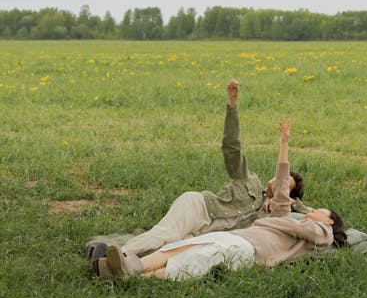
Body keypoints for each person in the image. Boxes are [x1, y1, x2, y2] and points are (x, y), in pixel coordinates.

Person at [91, 81, 306, 274]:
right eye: (281, 176)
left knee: (171, 249)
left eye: (286, 183)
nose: (280, 181)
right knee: (164, 234)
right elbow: (232, 148)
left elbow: (307, 217)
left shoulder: (272, 221)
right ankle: (114, 257)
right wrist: (232, 106)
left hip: (209, 233)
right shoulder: (250, 180)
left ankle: (121, 268)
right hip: (200, 209)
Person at [103, 118, 347, 281]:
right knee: (176, 248)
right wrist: (284, 143)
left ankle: (129, 275)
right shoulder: (280, 215)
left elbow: (307, 222)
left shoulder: (318, 232)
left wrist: (297, 212)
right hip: (229, 232)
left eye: (320, 211)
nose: (314, 211)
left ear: (329, 222)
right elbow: (281, 183)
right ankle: (128, 265)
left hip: (249, 248)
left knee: (192, 259)